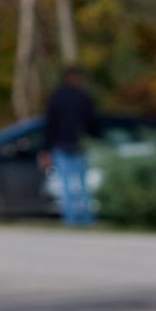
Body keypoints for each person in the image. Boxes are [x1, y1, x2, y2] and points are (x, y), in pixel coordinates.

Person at [40, 64, 99, 227]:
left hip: (62, 145)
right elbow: (93, 123)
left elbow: (50, 125)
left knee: (66, 184)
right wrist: (95, 138)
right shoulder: (84, 97)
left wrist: (45, 148)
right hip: (78, 145)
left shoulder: (57, 97)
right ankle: (85, 219)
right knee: (81, 185)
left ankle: (71, 218)